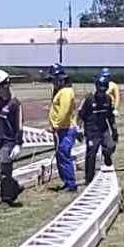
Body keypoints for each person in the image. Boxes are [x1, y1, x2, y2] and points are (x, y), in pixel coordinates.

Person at [0, 69, 23, 206]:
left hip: (9, 142)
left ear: (5, 85)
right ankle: (14, 186)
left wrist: (18, 144)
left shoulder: (15, 104)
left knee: (5, 169)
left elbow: (19, 125)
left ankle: (6, 199)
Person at [78, 74, 119, 183]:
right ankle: (89, 178)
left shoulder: (108, 99)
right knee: (91, 154)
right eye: (100, 90)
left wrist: (114, 130)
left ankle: (107, 155)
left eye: (104, 90)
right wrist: (79, 129)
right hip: (92, 131)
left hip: (103, 129)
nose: (101, 93)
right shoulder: (89, 100)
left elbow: (110, 117)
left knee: (110, 146)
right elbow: (81, 116)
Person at [47, 64, 79, 192]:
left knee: (64, 154)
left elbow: (64, 111)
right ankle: (66, 181)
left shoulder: (66, 92)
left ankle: (71, 184)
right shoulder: (61, 91)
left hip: (65, 129)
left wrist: (56, 125)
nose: (52, 82)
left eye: (53, 79)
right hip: (61, 129)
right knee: (60, 155)